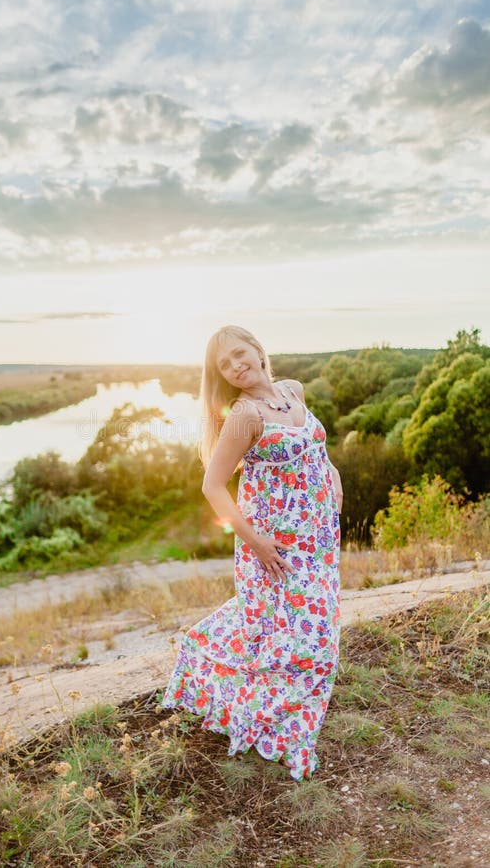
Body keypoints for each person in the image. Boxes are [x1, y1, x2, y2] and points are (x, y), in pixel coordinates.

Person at [161, 325, 342, 780]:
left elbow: (314, 447)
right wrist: (255, 542)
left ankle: (285, 720)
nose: (235, 365)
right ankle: (275, 726)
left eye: (240, 354)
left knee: (309, 636)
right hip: (275, 546)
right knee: (299, 642)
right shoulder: (244, 416)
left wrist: (333, 472)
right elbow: (212, 486)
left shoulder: (292, 390)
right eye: (224, 364)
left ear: (258, 351)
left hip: (318, 537)